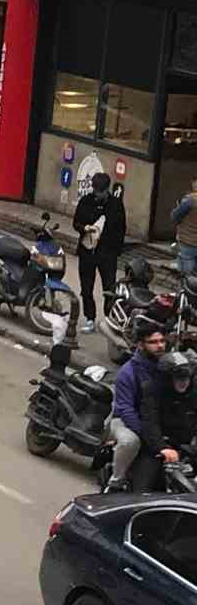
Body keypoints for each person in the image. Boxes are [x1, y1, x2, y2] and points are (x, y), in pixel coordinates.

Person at [107, 317, 167, 491]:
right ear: (141, 345)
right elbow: (125, 410)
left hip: (154, 421)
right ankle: (116, 481)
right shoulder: (128, 372)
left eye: (162, 341)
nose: (160, 346)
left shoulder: (165, 367)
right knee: (130, 442)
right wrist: (147, 435)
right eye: (153, 342)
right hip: (126, 422)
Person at [133, 349, 197, 492]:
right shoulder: (152, 391)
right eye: (178, 378)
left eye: (186, 378)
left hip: (185, 446)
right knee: (142, 493)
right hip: (156, 446)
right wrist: (162, 448)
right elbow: (150, 422)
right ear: (167, 377)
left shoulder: (193, 392)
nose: (183, 382)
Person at [73, 172, 127, 334]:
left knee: (109, 288)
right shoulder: (86, 201)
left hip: (107, 253)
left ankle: (108, 318)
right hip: (87, 251)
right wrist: (85, 228)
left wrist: (114, 249)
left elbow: (121, 229)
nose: (98, 194)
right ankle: (90, 318)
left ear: (107, 189)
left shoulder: (116, 205)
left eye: (101, 191)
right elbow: (76, 222)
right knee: (86, 287)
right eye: (96, 190)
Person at [171, 177, 197, 276]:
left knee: (187, 277)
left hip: (188, 242)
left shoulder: (189, 200)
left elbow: (174, 216)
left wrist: (178, 206)